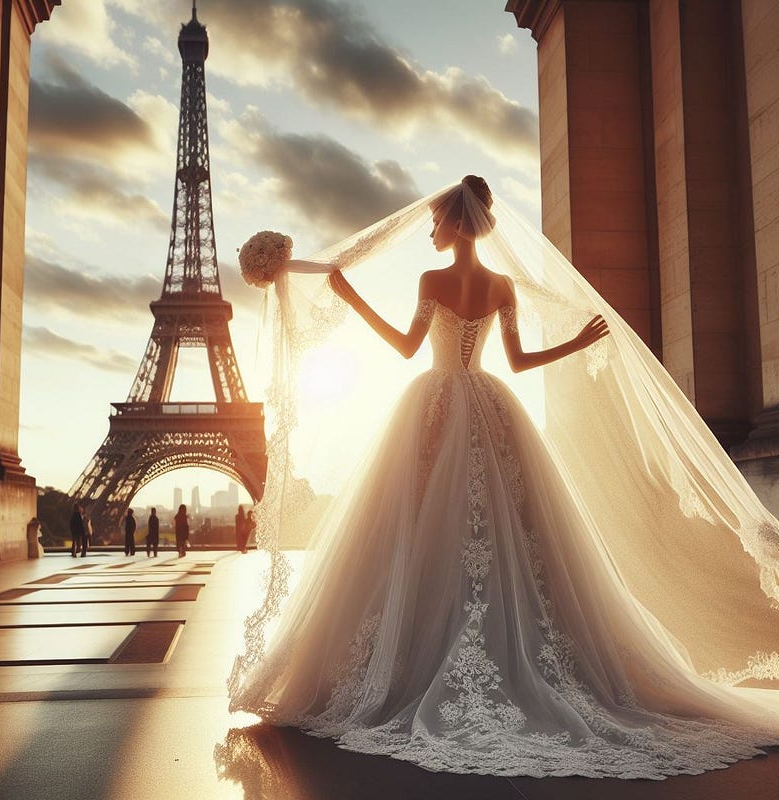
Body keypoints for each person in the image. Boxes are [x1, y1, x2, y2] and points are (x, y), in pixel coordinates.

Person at [224, 177, 779, 779]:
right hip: (489, 405)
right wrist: (572, 343)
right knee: (508, 536)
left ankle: (415, 654)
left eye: (436, 223)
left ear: (455, 224)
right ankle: (513, 653)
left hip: (433, 406)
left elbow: (409, 348)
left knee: (420, 532)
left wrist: (351, 296)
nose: (431, 231)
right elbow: (516, 362)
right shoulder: (500, 285)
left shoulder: (432, 282)